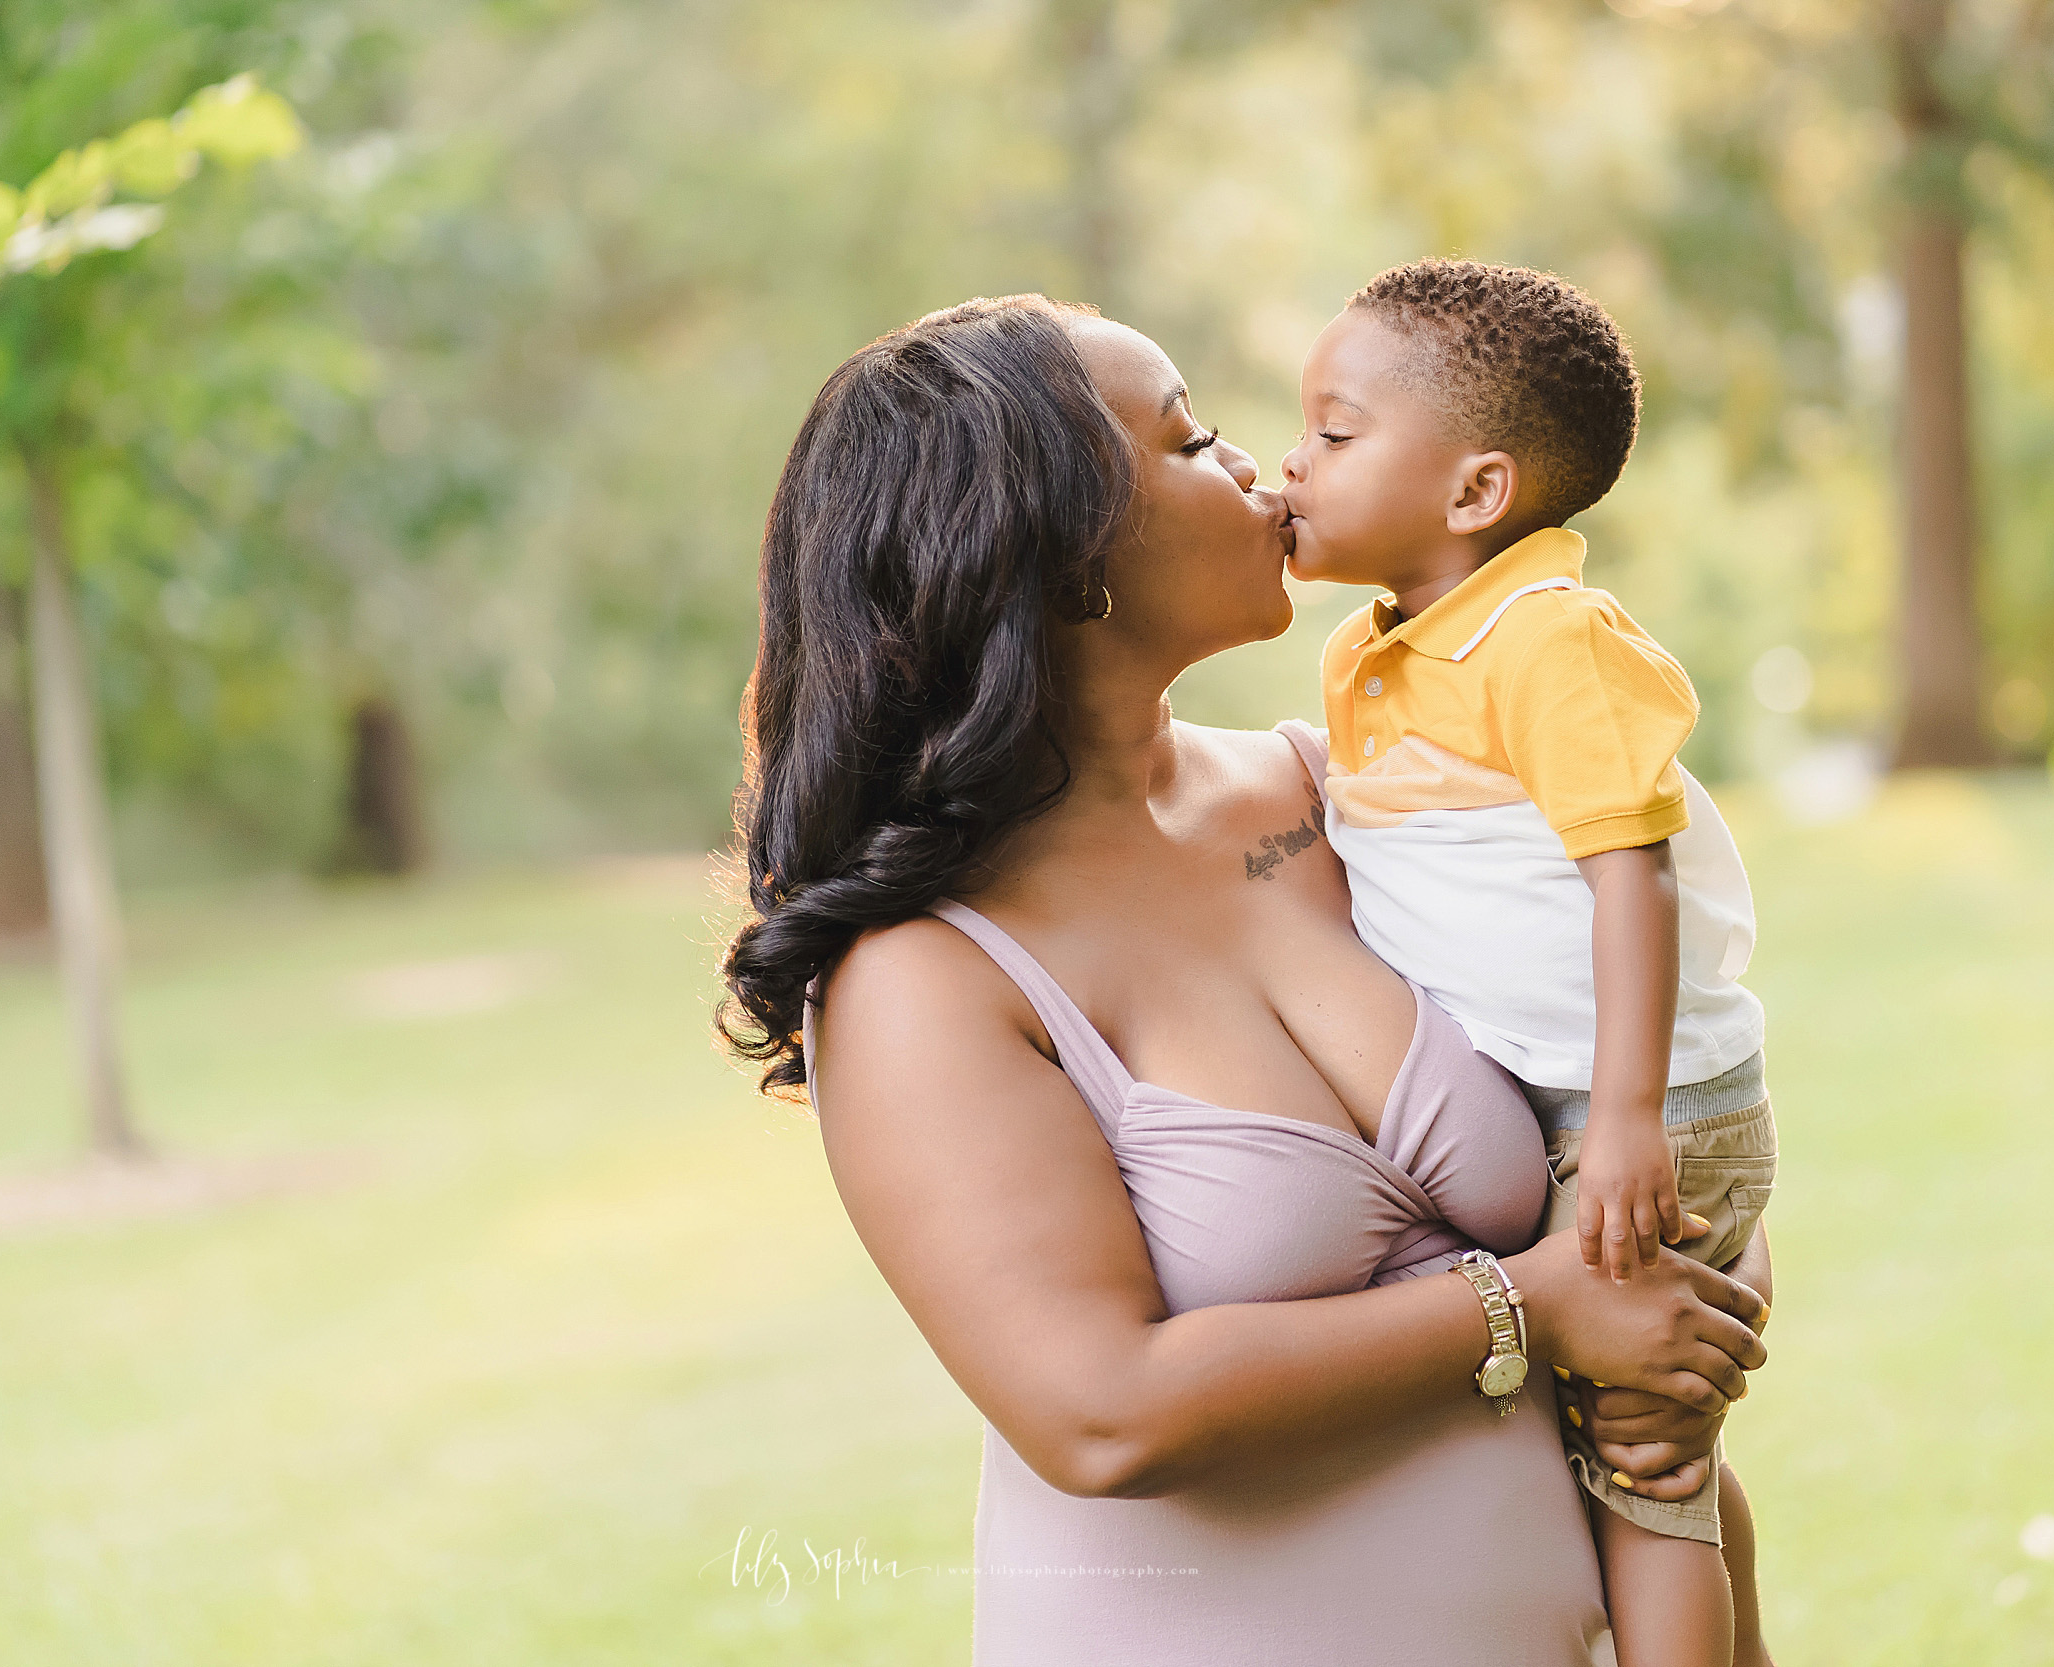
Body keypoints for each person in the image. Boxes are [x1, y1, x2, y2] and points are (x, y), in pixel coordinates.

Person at [719, 292, 1769, 1665]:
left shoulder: (1356, 796)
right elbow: (1103, 1413)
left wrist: (1686, 1341)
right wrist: (1539, 1307)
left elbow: (1671, 1098)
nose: (1260, 467)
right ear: (1059, 554)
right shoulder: (922, 975)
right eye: (1189, 437)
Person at [1278, 258, 1778, 1667]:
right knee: (1615, 1454)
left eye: (1333, 432)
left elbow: (1634, 879)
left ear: (1475, 492)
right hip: (1564, 1107)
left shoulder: (1551, 637)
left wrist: (1625, 1125)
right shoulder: (1373, 655)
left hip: (1633, 1113)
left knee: (1646, 1475)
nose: (1289, 466)